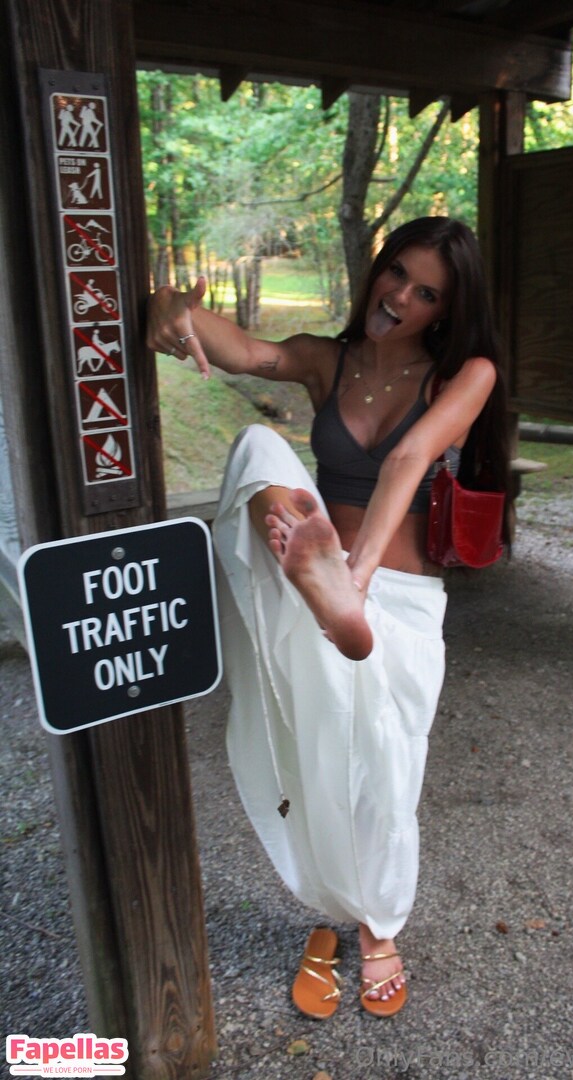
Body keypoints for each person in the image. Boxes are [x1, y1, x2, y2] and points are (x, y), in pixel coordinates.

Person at [146, 216, 510, 1019]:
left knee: (385, 769)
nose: (401, 297)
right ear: (378, 269)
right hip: (317, 584)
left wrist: (358, 579)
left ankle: (379, 927)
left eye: (426, 293)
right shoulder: (326, 359)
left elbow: (410, 458)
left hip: (392, 599)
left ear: (447, 310)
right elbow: (242, 350)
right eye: (397, 274)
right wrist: (169, 304)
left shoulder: (467, 374)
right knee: (256, 446)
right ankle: (319, 587)